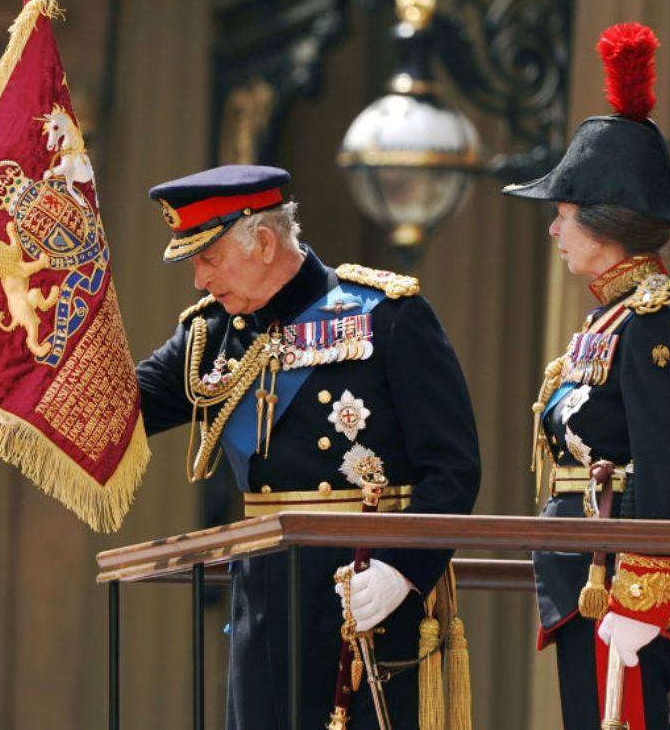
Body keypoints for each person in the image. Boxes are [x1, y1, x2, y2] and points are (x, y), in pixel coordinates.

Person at [135, 165, 481, 729]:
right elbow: (123, 410)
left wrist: (402, 569)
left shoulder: (385, 315)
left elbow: (454, 469)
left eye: (208, 258)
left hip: (366, 587)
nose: (199, 279)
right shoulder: (212, 334)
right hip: (266, 594)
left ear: (264, 243)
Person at [504, 22, 670, 729]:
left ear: (605, 222)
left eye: (563, 216)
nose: (556, 232)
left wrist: (643, 600)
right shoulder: (609, 322)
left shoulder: (656, 326)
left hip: (620, 587)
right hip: (585, 578)